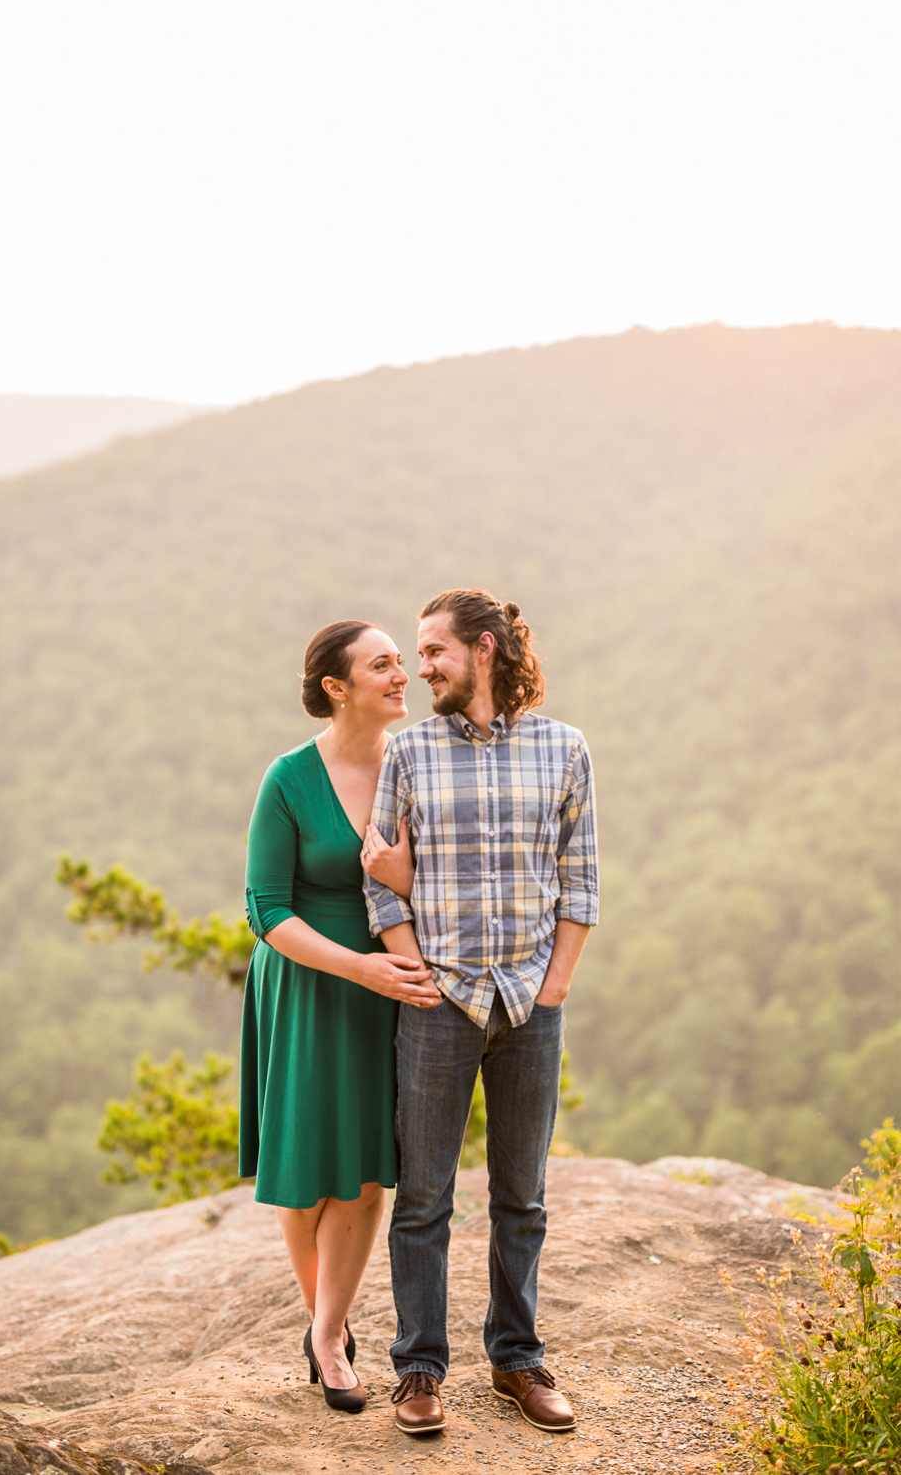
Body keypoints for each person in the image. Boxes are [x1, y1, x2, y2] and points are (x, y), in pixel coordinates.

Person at [362, 589, 598, 1436]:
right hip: (440, 1001)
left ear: (486, 649)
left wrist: (557, 983)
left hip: (533, 1001)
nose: (419, 669)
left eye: (434, 652)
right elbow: (376, 878)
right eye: (416, 655)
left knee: (521, 1196)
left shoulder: (565, 749)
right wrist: (415, 970)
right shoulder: (409, 753)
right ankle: (419, 1369)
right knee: (424, 1196)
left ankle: (516, 1358)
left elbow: (582, 880)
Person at [239, 620, 440, 1414]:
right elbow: (266, 908)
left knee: (363, 1170)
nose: (403, 676)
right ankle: (329, 1330)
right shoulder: (287, 778)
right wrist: (359, 967)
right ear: (337, 686)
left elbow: (456, 878)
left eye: (403, 662)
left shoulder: (419, 763)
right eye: (384, 665)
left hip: (392, 983)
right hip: (307, 985)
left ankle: (326, 1334)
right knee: (306, 1170)